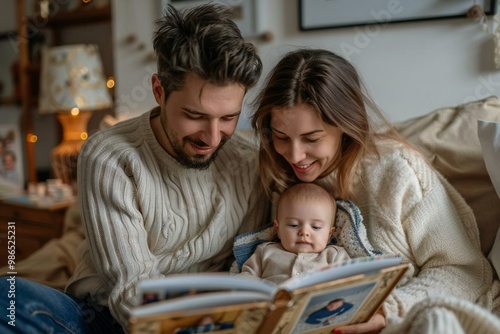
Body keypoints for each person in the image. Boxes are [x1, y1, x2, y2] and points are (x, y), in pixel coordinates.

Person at [0, 4, 270, 333]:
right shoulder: (109, 156)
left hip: (208, 321)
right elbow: (130, 289)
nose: (213, 137)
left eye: (228, 118)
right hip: (106, 317)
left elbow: (246, 270)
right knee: (9, 296)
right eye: (195, 116)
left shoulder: (251, 159)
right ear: (159, 91)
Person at [251, 49, 499, 333]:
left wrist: (386, 310)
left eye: (311, 138)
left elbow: (466, 272)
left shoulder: (396, 172)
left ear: (345, 126)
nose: (294, 156)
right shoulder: (279, 180)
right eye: (282, 137)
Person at [240, 182, 350, 284]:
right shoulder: (266, 251)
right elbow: (245, 278)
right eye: (293, 225)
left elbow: (351, 281)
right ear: (278, 229)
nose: (304, 232)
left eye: (315, 227)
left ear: (329, 234)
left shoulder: (334, 255)